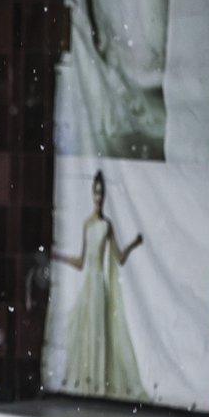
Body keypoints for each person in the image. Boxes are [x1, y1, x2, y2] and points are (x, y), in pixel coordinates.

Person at [52, 170, 147, 401]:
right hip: (89, 285)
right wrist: (59, 257)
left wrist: (134, 244)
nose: (98, 197)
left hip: (99, 286)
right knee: (87, 332)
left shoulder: (107, 225)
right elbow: (81, 262)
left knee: (99, 333)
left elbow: (120, 258)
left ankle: (98, 380)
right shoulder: (87, 224)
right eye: (95, 192)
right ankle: (89, 380)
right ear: (91, 194)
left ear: (105, 196)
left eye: (101, 193)